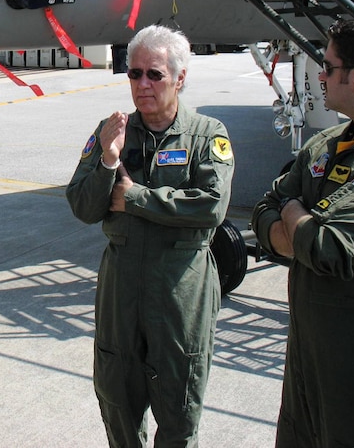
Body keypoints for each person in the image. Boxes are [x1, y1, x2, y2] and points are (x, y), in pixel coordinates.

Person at [252, 16, 354, 447]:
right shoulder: (323, 145)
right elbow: (262, 211)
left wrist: (292, 208)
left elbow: (328, 248)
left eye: (328, 66)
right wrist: (298, 228)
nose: (321, 76)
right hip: (308, 364)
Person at [66, 25, 234, 447]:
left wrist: (135, 198)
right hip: (120, 289)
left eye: (154, 74)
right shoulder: (112, 130)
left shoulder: (207, 135)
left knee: (179, 408)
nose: (142, 84)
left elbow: (211, 207)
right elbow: (83, 206)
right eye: (134, 73)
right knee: (116, 400)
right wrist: (108, 161)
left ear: (179, 78)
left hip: (180, 290)